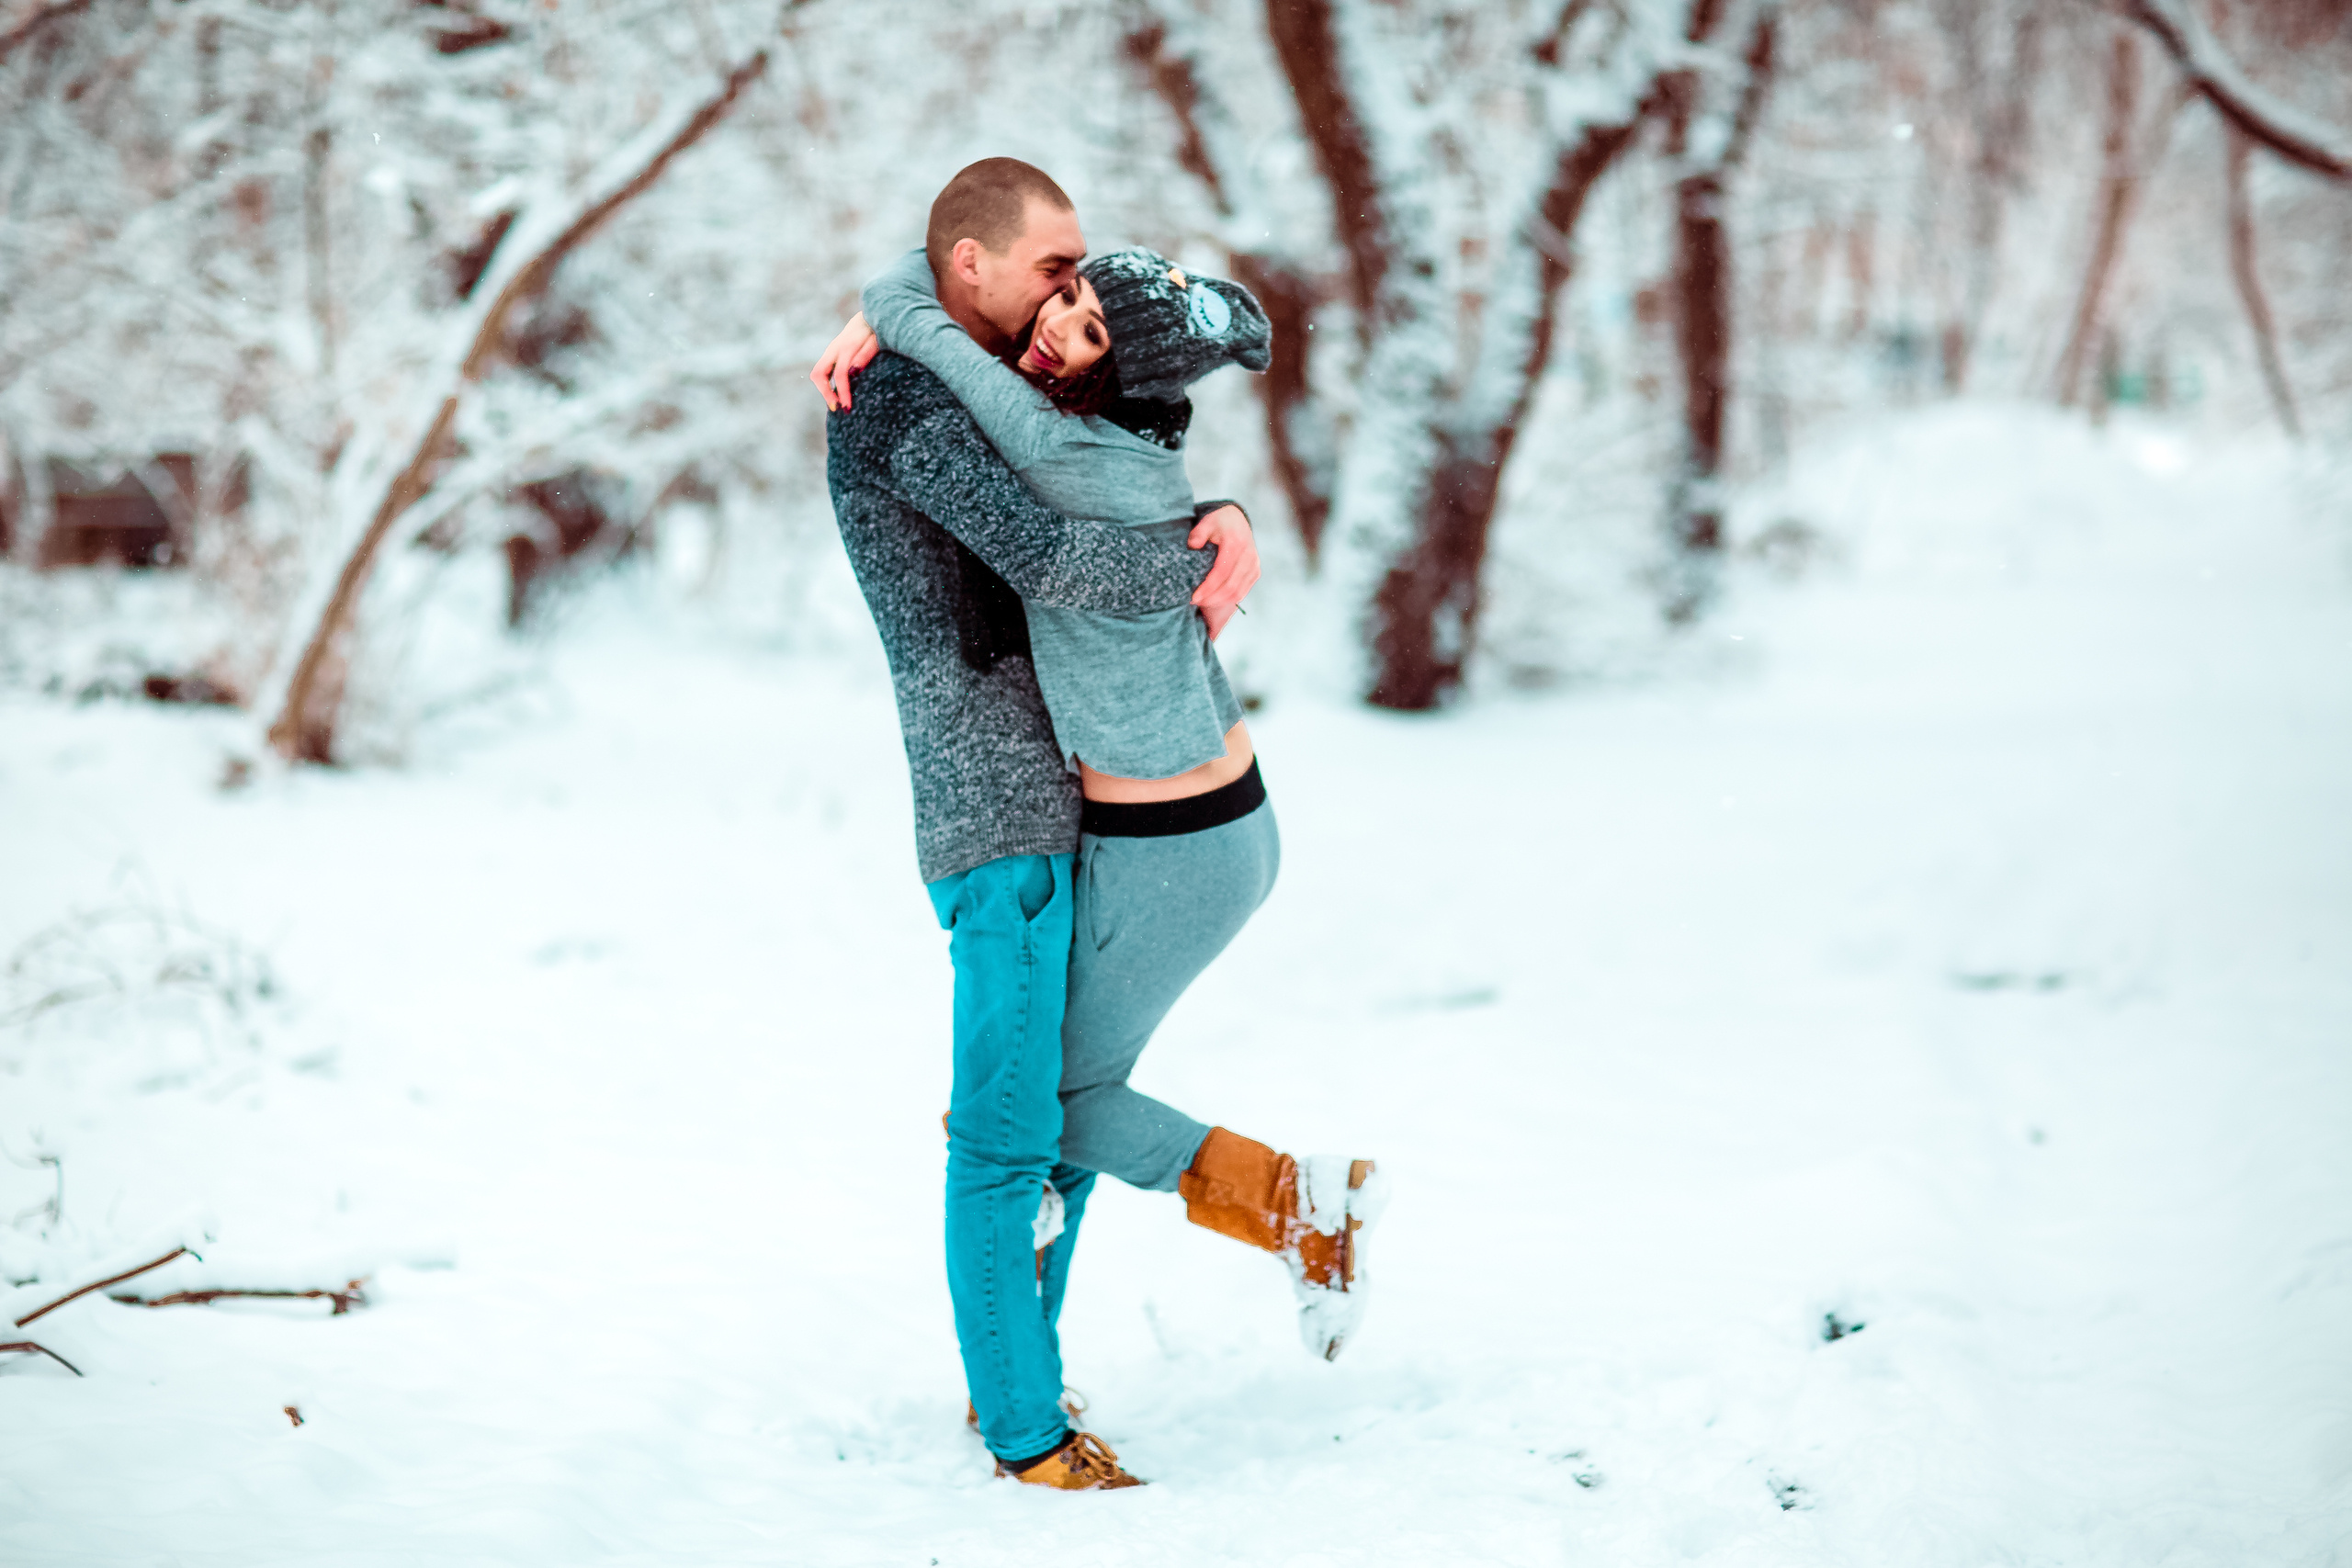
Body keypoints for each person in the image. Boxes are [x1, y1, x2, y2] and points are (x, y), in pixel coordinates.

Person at [814, 159, 1380, 1495]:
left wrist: (1211, 506)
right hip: (997, 818)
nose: (1072, 288)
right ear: (971, 269)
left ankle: (1029, 1394)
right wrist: (1199, 545)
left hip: (1081, 815)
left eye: (1079, 274)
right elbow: (1050, 549)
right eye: (1054, 268)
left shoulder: (941, 357)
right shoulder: (895, 398)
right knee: (1012, 1138)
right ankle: (1027, 1429)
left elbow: (1085, 422)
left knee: (1038, 1129)